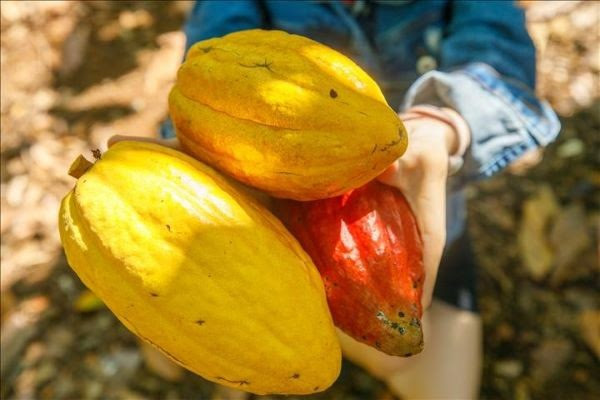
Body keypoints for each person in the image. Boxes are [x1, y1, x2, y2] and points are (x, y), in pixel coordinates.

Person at [111, 1, 560, 398]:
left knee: (434, 380)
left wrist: (442, 126)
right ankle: (272, 340)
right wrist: (209, 166)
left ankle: (300, 343)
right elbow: (212, 84)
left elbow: (499, 62)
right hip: (275, 238)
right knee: (207, 334)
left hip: (421, 232)